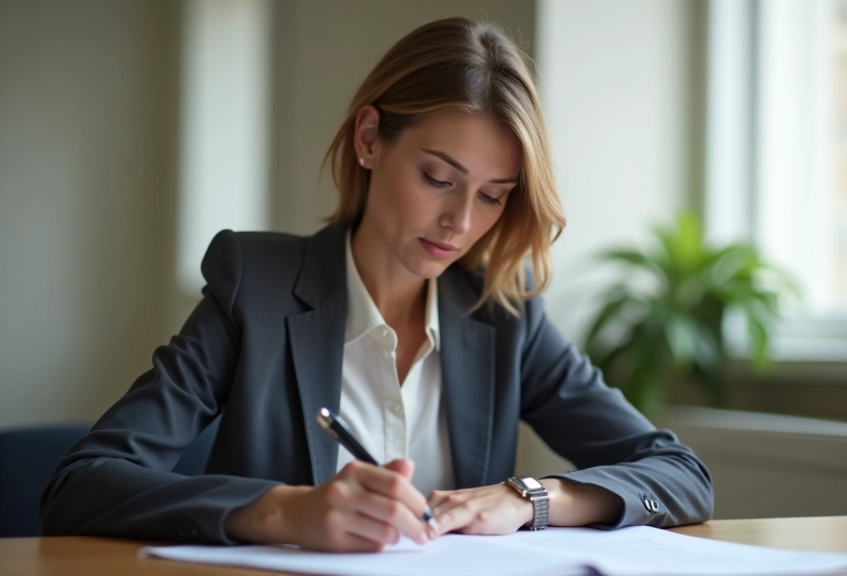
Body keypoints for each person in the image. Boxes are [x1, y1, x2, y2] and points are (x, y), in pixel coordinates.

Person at [40, 17, 712, 552]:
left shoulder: (504, 316)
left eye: (493, 196)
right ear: (369, 138)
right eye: (438, 179)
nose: (460, 221)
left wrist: (528, 498)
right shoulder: (258, 290)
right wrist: (285, 512)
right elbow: (79, 486)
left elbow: (681, 476)